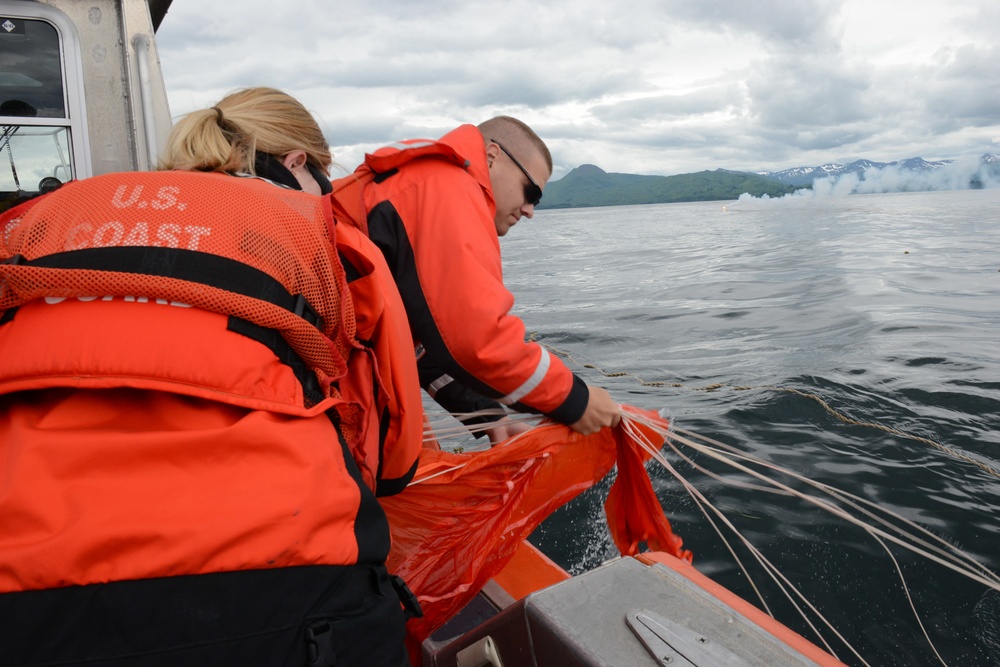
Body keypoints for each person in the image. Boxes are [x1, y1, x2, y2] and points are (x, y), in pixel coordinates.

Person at [0, 88, 420, 666]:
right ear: (297, 164)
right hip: (287, 586)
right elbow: (392, 433)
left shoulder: (33, 222)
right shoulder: (321, 232)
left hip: (25, 590)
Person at [332, 116, 621, 443]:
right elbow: (476, 340)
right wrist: (576, 400)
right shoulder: (445, 188)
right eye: (531, 193)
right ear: (492, 156)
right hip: (326, 386)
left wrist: (490, 416)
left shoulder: (419, 184)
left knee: (413, 450)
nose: (530, 211)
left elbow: (422, 347)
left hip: (336, 374)